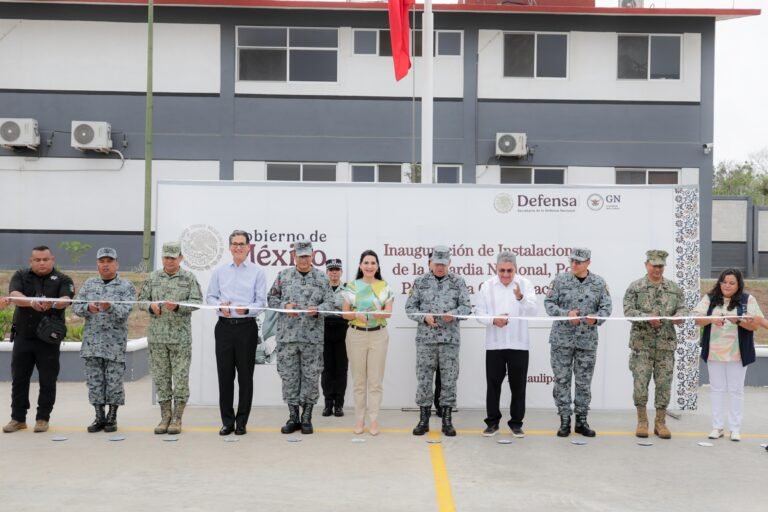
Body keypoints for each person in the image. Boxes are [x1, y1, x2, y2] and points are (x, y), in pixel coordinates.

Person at [3, 246, 74, 434]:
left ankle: (43, 418)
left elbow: (67, 298)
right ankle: (18, 418)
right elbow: (15, 296)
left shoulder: (63, 279)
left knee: (47, 380)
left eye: (45, 259)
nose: (41, 263)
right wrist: (31, 302)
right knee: (19, 379)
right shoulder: (20, 275)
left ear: (52, 259)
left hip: (48, 340)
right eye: (37, 260)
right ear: (31, 261)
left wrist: (53, 302)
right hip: (24, 337)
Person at [268, 241, 335, 435]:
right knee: (289, 377)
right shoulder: (283, 276)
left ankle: (306, 417)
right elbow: (271, 299)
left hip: (312, 339)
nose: (303, 259)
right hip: (287, 337)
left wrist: (319, 310)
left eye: (306, 256)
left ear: (313, 256)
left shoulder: (322, 278)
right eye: (300, 256)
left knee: (311, 377)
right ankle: (293, 417)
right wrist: (285, 305)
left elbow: (331, 302)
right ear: (294, 256)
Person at [544, 247, 612, 438]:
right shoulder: (560, 280)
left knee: (584, 383)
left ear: (588, 262)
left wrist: (596, 318)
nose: (574, 264)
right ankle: (564, 419)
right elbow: (549, 305)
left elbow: (606, 308)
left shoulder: (598, 283)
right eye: (572, 260)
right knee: (562, 380)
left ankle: (581, 420)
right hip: (562, 340)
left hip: (586, 341)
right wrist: (566, 314)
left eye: (578, 262)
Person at [405, 245, 471, 437]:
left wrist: (454, 314)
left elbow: (467, 308)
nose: (440, 267)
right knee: (424, 379)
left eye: (443, 264)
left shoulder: (458, 282)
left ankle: (447, 420)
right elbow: (410, 308)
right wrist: (424, 317)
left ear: (449, 263)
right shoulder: (420, 282)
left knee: (449, 380)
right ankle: (423, 419)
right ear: (430, 263)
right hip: (426, 341)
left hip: (449, 341)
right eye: (437, 263)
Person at [138, 241, 202, 435]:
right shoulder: (153, 277)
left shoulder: (188, 278)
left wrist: (179, 306)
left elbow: (198, 302)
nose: (169, 261)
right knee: (161, 379)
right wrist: (150, 307)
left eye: (173, 257)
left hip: (180, 339)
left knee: (180, 380)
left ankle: (177, 418)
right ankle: (165, 416)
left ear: (180, 258)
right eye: (166, 257)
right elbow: (140, 301)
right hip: (157, 338)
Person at [206, 230, 266, 436]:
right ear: (230, 247)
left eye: (242, 243)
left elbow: (261, 302)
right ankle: (227, 422)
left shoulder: (257, 272)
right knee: (225, 376)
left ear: (248, 247)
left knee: (245, 377)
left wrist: (247, 310)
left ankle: (242, 422)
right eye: (235, 244)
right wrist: (219, 305)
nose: (238, 247)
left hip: (246, 328)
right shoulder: (220, 272)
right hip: (223, 328)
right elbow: (210, 297)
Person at [623, 249, 687, 439]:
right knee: (640, 384)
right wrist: (646, 318)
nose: (657, 269)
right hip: (641, 346)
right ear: (646, 265)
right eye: (654, 265)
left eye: (660, 266)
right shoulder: (636, 287)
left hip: (665, 346)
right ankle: (642, 421)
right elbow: (628, 312)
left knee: (664, 384)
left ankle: (661, 423)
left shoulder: (674, 288)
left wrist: (679, 317)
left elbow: (683, 309)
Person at [694, 268, 763, 442]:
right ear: (719, 282)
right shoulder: (709, 299)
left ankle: (735, 428)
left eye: (732, 283)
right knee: (716, 389)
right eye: (724, 282)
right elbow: (696, 320)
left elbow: (755, 325)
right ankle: (717, 427)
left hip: (738, 353)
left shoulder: (748, 300)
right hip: (714, 352)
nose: (727, 285)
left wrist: (738, 321)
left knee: (736, 390)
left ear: (738, 284)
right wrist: (711, 319)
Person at [72, 248, 136, 433]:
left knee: (114, 381)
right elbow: (76, 307)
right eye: (102, 261)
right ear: (97, 264)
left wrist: (110, 307)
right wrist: (88, 308)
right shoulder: (89, 284)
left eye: (109, 261)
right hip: (92, 343)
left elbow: (126, 312)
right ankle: (98, 416)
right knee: (94, 381)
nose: (105, 264)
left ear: (117, 264)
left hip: (114, 343)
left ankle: (112, 417)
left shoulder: (126, 286)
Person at [475, 250, 538, 438]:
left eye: (509, 271)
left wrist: (521, 298)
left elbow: (533, 311)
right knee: (493, 385)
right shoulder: (487, 286)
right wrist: (493, 320)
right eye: (502, 270)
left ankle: (516, 423)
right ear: (496, 268)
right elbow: (479, 313)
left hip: (519, 344)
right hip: (494, 344)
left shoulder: (525, 284)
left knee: (518, 386)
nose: (505, 275)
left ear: (515, 268)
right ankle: (492, 423)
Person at [341, 250, 394, 435]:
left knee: (375, 381)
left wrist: (381, 314)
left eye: (373, 263)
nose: (369, 266)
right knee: (359, 381)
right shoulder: (351, 286)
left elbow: (389, 312)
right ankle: (359, 420)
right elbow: (344, 313)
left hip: (378, 335)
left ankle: (373, 420)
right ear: (360, 265)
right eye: (366, 262)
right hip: (356, 336)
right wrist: (356, 314)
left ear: (377, 266)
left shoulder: (384, 286)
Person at [321, 258, 349, 418]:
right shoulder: (321, 289)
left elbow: (350, 309)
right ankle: (327, 403)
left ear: (341, 272)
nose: (334, 272)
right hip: (324, 328)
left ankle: (339, 404)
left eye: (337, 269)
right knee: (326, 369)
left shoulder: (347, 289)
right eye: (331, 269)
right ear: (327, 272)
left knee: (341, 369)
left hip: (342, 328)